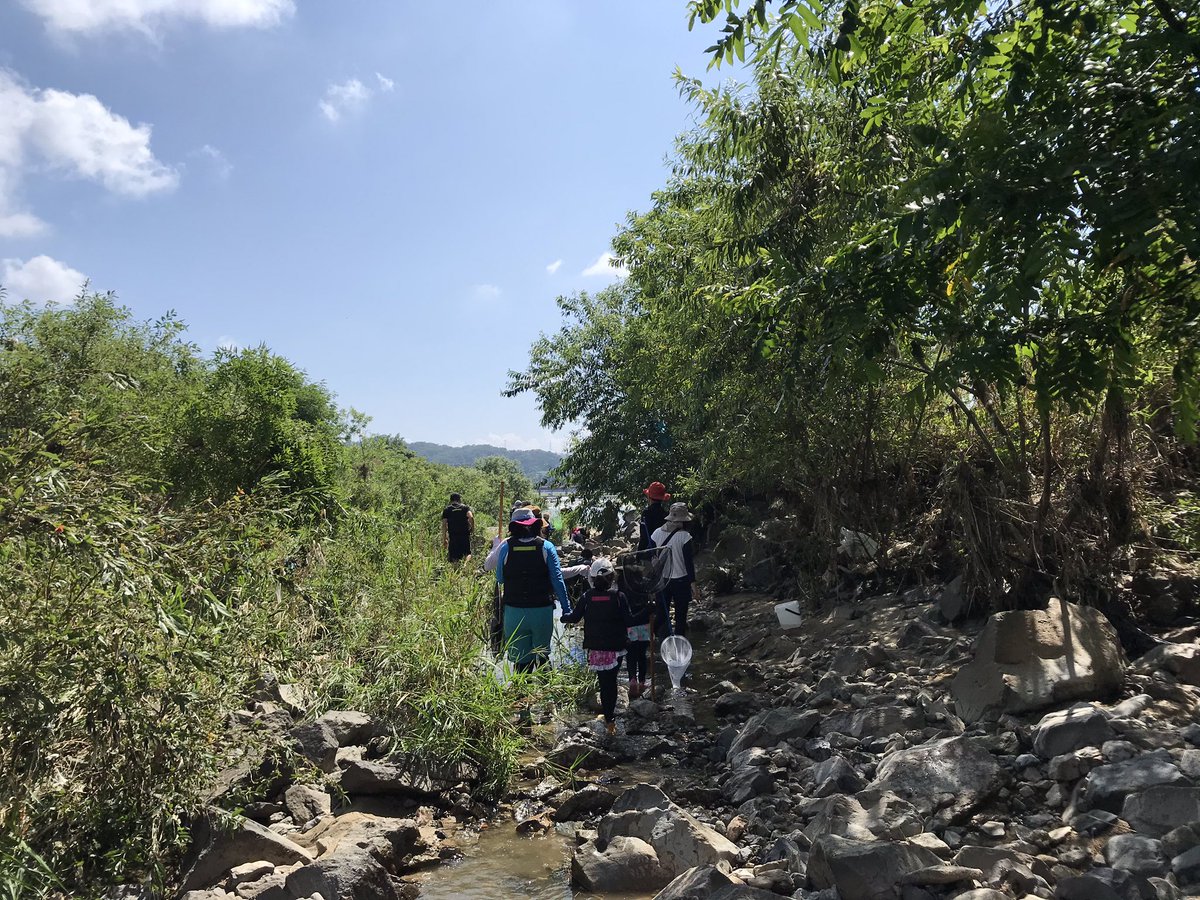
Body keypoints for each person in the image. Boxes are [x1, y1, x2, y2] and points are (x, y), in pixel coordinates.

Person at [492, 507, 571, 672]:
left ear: (513, 527)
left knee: (521, 663)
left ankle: (522, 688)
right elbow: (557, 580)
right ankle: (546, 687)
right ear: (536, 525)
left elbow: (500, 578)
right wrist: (566, 609)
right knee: (542, 657)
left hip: (514, 613)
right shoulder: (546, 547)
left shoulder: (506, 548)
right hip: (541, 611)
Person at [561, 558, 633, 736]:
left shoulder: (587, 597)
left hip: (596, 650)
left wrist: (563, 617)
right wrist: (649, 611)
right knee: (612, 683)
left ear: (592, 579)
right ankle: (610, 720)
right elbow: (630, 621)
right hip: (615, 648)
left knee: (603, 683)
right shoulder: (619, 597)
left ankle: (608, 718)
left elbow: (574, 618)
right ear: (612, 577)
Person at [650, 502, 697, 637]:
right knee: (680, 617)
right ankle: (679, 642)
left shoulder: (656, 533)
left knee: (662, 614)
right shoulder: (685, 536)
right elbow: (688, 563)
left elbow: (650, 554)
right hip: (681, 580)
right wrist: (694, 585)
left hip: (663, 579)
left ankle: (651, 636)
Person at [638, 482, 672, 551]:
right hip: (663, 549)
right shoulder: (665, 514)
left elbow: (644, 536)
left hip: (650, 550)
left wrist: (639, 553)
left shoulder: (646, 513)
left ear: (649, 497)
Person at [441, 492, 475, 562]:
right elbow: (471, 517)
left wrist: (444, 539)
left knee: (454, 557)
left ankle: (456, 567)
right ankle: (466, 565)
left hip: (453, 536)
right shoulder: (465, 508)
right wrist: (472, 528)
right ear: (459, 500)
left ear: (450, 500)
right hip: (465, 534)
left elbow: (444, 525)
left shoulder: (447, 510)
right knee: (467, 553)